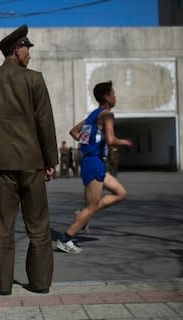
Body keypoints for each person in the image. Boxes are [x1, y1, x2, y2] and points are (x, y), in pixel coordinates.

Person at [0, 25, 58, 295]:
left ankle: (0, 284)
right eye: (27, 49)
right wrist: (50, 160)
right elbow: (45, 122)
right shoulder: (34, 80)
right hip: (31, 163)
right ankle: (40, 282)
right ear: (16, 49)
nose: (30, 55)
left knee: (1, 225)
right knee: (39, 226)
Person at [56, 81, 133, 254]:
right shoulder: (107, 115)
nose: (115, 96)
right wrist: (124, 142)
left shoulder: (93, 115)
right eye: (113, 93)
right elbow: (112, 140)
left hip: (93, 161)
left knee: (120, 193)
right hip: (94, 162)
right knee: (91, 207)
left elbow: (74, 132)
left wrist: (89, 142)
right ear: (107, 96)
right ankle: (65, 239)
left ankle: (83, 214)